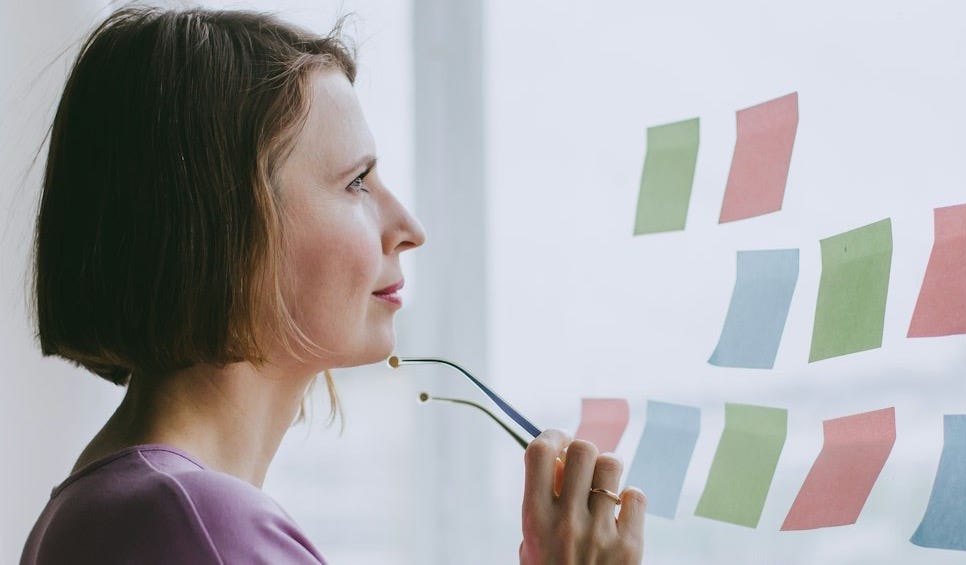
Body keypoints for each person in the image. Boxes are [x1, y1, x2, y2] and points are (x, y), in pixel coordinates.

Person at [20, 6, 646, 564]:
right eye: (356, 182)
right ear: (225, 229)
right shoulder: (197, 523)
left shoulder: (110, 509)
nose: (408, 228)